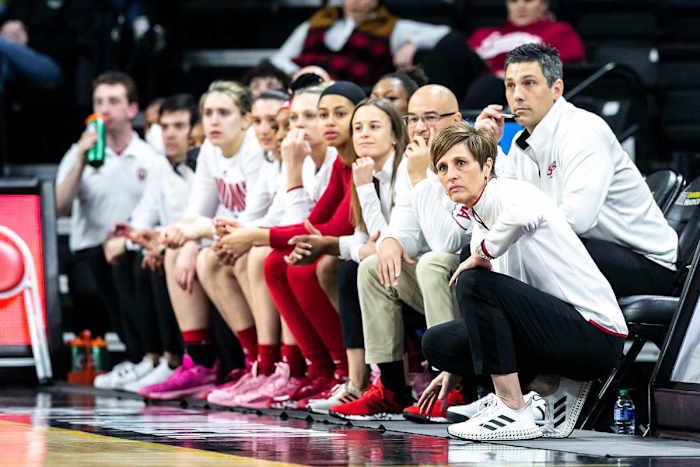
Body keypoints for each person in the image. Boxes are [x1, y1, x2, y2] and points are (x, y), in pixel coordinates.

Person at [418, 122, 626, 441]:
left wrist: (484, 253)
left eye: (461, 163)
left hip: (595, 335)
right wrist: (454, 367)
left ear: (487, 166)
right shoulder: (478, 221)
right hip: (549, 331)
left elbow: (526, 213)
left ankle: (511, 408)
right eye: (442, 167)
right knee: (440, 343)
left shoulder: (511, 191)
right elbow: (495, 316)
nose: (451, 174)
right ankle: (545, 388)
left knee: (473, 281)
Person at [476, 43, 679, 298]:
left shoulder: (584, 131)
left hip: (647, 265)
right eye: (510, 85)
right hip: (589, 250)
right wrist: (487, 149)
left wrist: (508, 234)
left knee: (529, 249)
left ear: (556, 89)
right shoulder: (520, 145)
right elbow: (502, 209)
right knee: (485, 257)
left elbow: (577, 220)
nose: (517, 95)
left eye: (528, 83)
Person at [215, 82, 367, 408]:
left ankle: (342, 371)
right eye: (318, 115)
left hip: (367, 251)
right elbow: (313, 223)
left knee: (299, 264)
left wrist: (256, 235)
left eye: (316, 115)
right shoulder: (341, 161)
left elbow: (329, 229)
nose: (302, 125)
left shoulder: (342, 160)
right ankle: (316, 370)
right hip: (347, 245)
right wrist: (251, 232)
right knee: (277, 261)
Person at [326, 85, 470, 422]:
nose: (420, 127)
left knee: (434, 264)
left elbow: (446, 244)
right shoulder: (413, 163)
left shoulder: (466, 158)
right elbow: (403, 230)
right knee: (372, 267)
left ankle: (453, 385)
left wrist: (423, 178)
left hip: (474, 278)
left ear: (457, 119)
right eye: (414, 119)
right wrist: (391, 241)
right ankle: (391, 387)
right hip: (437, 276)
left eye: (430, 118)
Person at [284, 97, 408, 414]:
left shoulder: (404, 170)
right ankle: (357, 382)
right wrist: (330, 245)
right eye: (358, 128)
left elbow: (385, 240)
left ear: (395, 134)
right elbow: (362, 239)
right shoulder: (363, 170)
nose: (363, 134)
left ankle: (388, 382)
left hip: (412, 263)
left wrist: (364, 189)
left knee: (358, 269)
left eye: (374, 126)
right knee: (352, 266)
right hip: (387, 262)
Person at [144, 81, 264, 400]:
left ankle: (262, 365)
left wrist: (195, 234)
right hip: (231, 235)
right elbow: (195, 210)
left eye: (223, 113)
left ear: (245, 119)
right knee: (176, 254)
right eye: (208, 113)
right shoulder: (211, 149)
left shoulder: (254, 149)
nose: (213, 120)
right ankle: (200, 363)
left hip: (257, 235)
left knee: (211, 258)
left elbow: (253, 219)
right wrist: (183, 242)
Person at [95, 93, 197, 392]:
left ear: (195, 129)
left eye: (179, 126)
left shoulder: (202, 161)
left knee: (155, 260)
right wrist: (129, 236)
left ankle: (174, 358)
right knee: (121, 253)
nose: (170, 134)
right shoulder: (160, 165)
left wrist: (156, 240)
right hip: (171, 241)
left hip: (194, 243)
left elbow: (198, 219)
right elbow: (144, 214)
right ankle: (148, 357)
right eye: (164, 127)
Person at [55, 71, 158, 344]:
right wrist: (80, 158)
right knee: (89, 330)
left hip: (132, 251)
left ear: (132, 109)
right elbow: (58, 208)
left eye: (113, 100)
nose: (104, 108)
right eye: (99, 101)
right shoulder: (77, 153)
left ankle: (145, 358)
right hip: (89, 252)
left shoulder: (149, 156)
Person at [270, 0, 449, 87]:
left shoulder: (392, 28)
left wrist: (413, 43)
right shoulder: (316, 22)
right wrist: (299, 73)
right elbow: (279, 58)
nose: (355, 1)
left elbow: (445, 33)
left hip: (358, 99)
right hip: (308, 92)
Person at [463, 0, 585, 109]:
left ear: (543, 5)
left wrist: (510, 74)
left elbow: (566, 67)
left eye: (528, 1)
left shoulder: (559, 31)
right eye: (514, 1)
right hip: (472, 81)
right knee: (450, 42)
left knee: (490, 84)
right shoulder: (482, 34)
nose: (521, 6)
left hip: (516, 88)